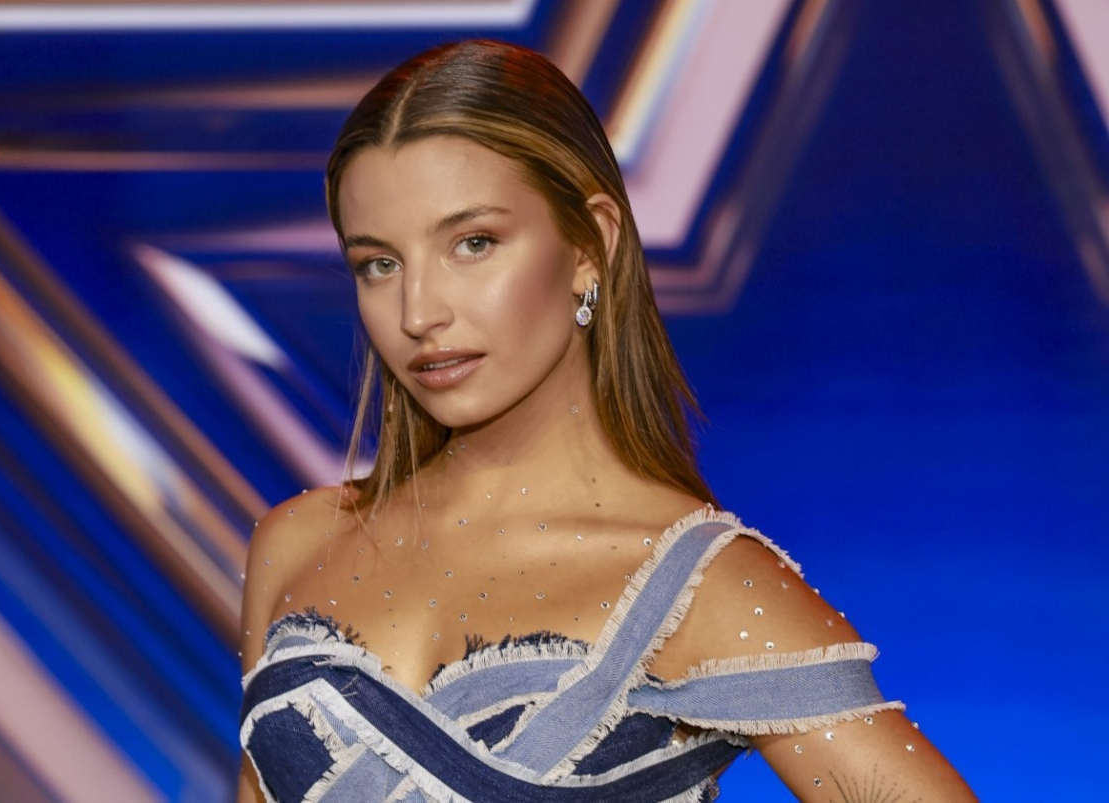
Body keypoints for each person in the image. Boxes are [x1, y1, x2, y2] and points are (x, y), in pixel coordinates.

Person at [237, 39, 975, 802]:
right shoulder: (297, 542)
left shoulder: (703, 586)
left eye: (474, 243)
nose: (418, 311)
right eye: (378, 264)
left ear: (591, 244)